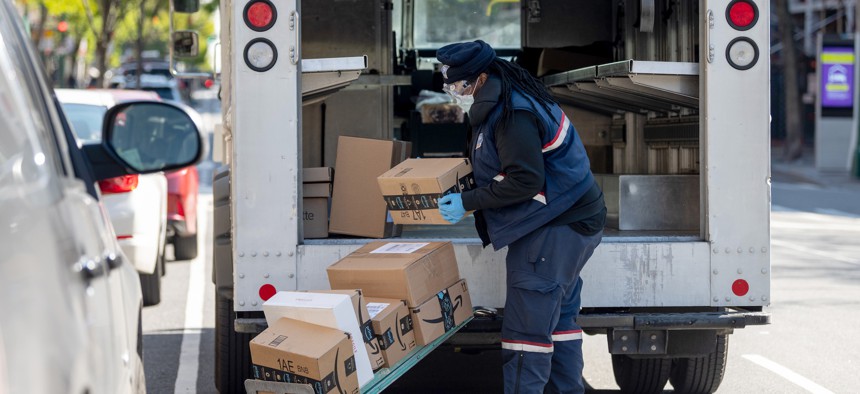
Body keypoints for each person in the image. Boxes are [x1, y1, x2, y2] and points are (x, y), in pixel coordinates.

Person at [436, 40, 606, 394]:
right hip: (569, 222)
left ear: (479, 79)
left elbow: (525, 181)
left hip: (556, 228)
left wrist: (467, 201)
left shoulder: (514, 115)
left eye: (458, 85)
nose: (454, 92)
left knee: (525, 334)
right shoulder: (504, 101)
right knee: (558, 321)